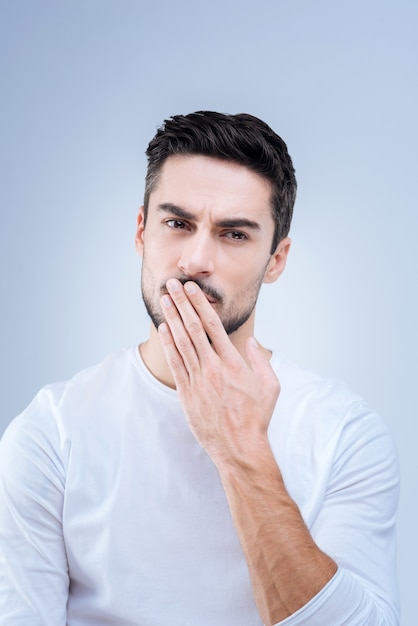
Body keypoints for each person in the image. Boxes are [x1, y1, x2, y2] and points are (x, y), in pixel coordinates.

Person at [0, 111, 399, 625]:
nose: (195, 260)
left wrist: (240, 450)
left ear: (275, 260)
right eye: (177, 223)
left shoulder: (345, 433)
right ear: (142, 232)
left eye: (234, 234)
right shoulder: (51, 432)